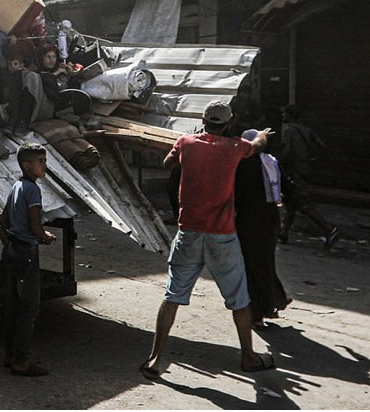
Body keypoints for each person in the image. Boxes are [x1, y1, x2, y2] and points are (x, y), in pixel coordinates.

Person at [140, 101, 275, 379]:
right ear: (228, 123)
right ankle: (248, 357)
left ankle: (155, 359)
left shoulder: (186, 143)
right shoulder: (235, 148)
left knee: (172, 296)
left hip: (188, 231)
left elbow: (167, 162)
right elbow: (258, 144)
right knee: (239, 299)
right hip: (221, 235)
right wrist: (262, 133)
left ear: (203, 119)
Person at [1, 142, 56, 377]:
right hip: (26, 254)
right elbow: (36, 226)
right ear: (26, 165)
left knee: (13, 307)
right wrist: (45, 236)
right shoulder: (33, 190)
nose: (44, 165)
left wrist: (14, 237)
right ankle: (22, 361)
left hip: (11, 250)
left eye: (44, 161)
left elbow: (4, 221)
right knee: (29, 309)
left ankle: (10, 355)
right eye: (40, 162)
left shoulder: (16, 186)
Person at [235, 128, 292, 328]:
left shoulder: (241, 164)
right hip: (269, 219)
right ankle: (276, 298)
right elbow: (288, 188)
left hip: (247, 221)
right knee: (264, 261)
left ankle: (259, 311)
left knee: (252, 266)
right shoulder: (271, 163)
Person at [278, 104, 340, 248]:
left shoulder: (289, 131)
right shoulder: (307, 130)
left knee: (302, 203)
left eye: (284, 113)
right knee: (291, 203)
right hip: (305, 169)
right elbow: (322, 146)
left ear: (289, 115)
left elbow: (287, 151)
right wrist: (313, 159)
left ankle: (330, 228)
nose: (282, 116)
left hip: (294, 171)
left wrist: (277, 162)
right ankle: (284, 232)